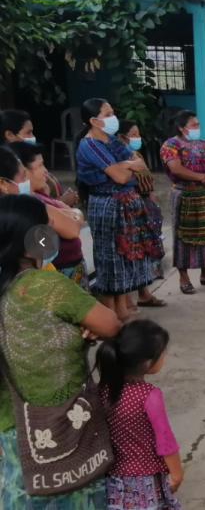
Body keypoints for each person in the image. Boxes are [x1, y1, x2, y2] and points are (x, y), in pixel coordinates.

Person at [0, 193, 122, 508]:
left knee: (21, 492)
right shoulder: (47, 285)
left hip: (9, 425)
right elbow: (110, 324)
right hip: (66, 419)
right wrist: (87, 327)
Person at [77, 99, 160, 318]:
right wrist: (125, 167)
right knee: (109, 257)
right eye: (107, 114)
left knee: (125, 257)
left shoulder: (112, 140)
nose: (112, 117)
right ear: (93, 121)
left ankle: (122, 310)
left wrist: (124, 166)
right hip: (107, 205)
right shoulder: (90, 145)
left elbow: (140, 165)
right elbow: (121, 176)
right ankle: (110, 314)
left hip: (126, 201)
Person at [98, 319, 183, 509]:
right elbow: (165, 440)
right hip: (145, 481)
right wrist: (176, 474)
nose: (165, 358)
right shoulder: (149, 395)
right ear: (147, 364)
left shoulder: (102, 391)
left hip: (111, 479)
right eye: (163, 354)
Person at [8, 142, 90, 292]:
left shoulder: (39, 196)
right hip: (54, 273)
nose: (45, 171)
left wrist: (72, 214)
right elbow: (71, 229)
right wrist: (71, 213)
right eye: (40, 166)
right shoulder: (31, 204)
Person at [159, 110, 205, 294]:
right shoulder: (170, 145)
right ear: (182, 128)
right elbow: (176, 168)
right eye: (194, 125)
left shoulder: (204, 144)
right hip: (186, 196)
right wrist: (202, 177)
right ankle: (184, 277)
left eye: (198, 124)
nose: (198, 128)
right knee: (184, 236)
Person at [116, 120, 166, 309]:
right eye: (134, 134)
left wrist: (153, 205)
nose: (138, 138)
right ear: (121, 137)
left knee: (146, 251)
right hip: (130, 207)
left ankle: (144, 293)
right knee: (130, 252)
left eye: (138, 134)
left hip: (144, 206)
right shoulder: (118, 158)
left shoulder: (135, 155)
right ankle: (127, 300)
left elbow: (148, 183)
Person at [2, 109, 77, 205]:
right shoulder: (11, 165)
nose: (32, 136)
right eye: (28, 132)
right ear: (9, 135)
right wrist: (62, 202)